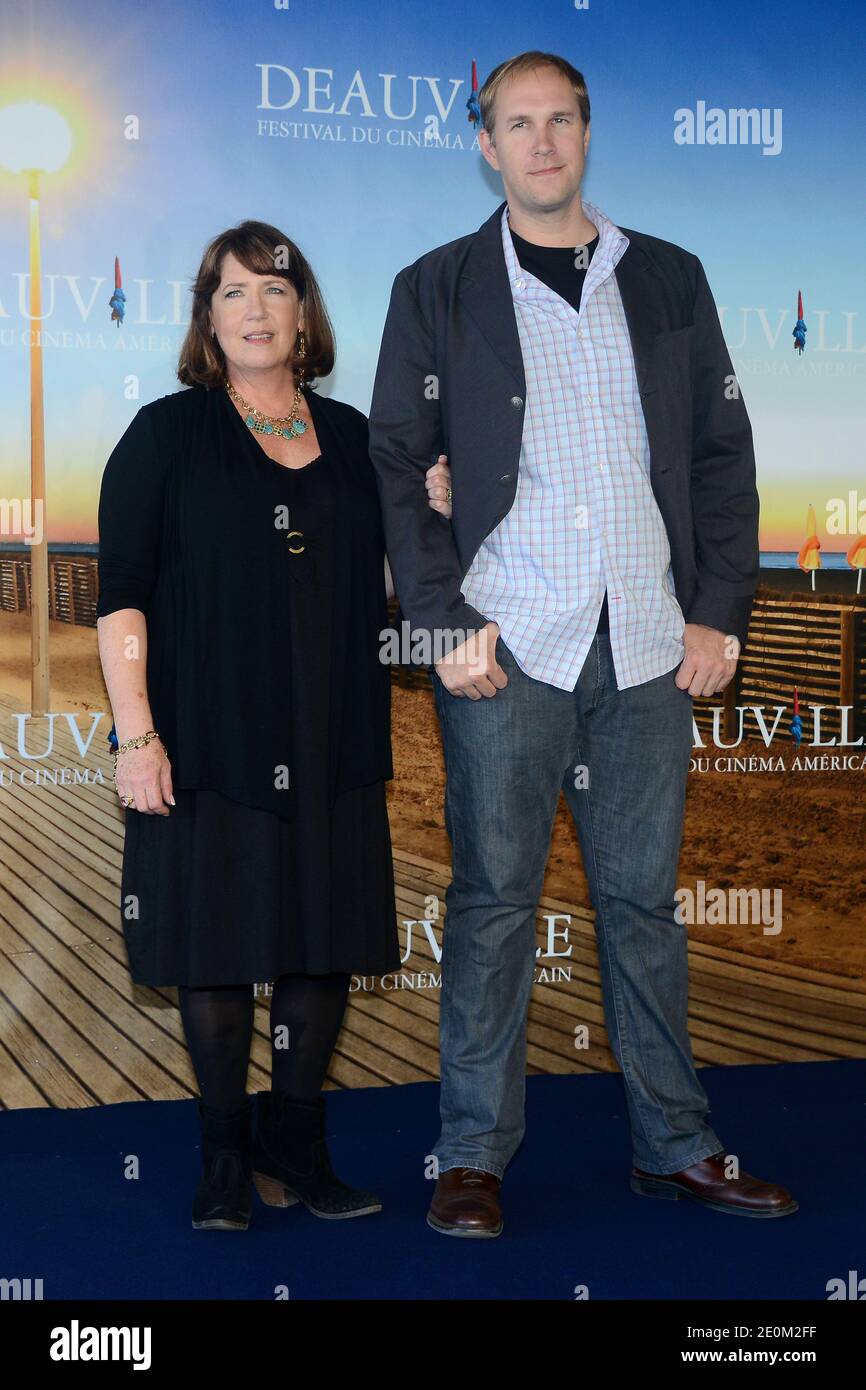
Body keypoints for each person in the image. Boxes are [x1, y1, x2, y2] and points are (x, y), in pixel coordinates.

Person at [369, 52, 798, 1237]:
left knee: (642, 907)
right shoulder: (434, 285)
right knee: (495, 902)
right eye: (518, 123)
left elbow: (721, 456)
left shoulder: (668, 278)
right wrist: (441, 621)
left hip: (651, 640)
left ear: (585, 132)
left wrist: (718, 609)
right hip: (507, 642)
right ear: (485, 145)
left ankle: (676, 1144)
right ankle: (468, 1157)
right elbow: (400, 466)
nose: (541, 141)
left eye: (560, 119)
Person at [96, 219, 450, 1231]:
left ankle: (296, 1141)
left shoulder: (351, 441)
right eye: (233, 292)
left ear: (305, 315)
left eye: (275, 291)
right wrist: (136, 734)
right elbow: (121, 597)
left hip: (328, 728)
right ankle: (222, 1153)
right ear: (209, 319)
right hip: (204, 736)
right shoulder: (167, 433)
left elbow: (381, 587)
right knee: (211, 947)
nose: (256, 309)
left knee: (316, 945)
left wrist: (430, 510)